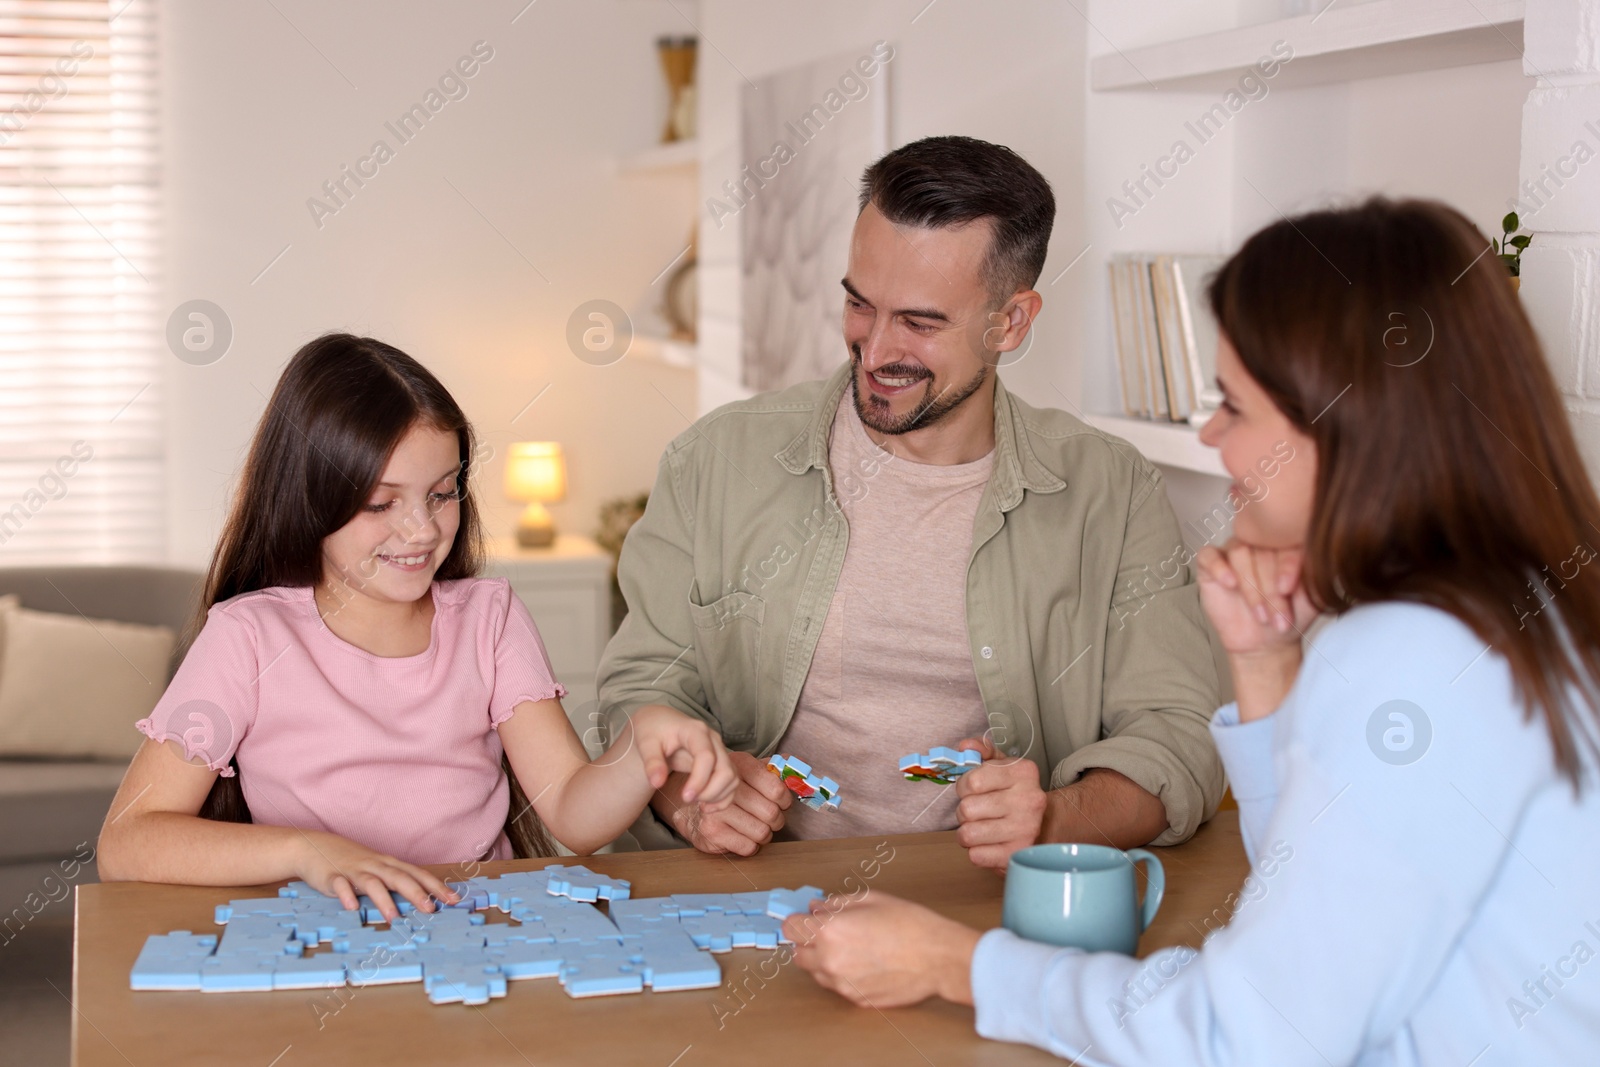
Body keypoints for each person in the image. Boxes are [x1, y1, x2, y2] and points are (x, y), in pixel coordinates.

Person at [781, 196, 1600, 1064]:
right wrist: (1264, 660)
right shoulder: (1509, 611)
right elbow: (1312, 902)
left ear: (1346, 424)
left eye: (1235, 408)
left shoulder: (1416, 654)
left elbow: (1246, 1038)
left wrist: (953, 961)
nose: (1210, 435)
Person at [598, 135, 1224, 867]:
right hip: (745, 894)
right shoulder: (713, 461)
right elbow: (638, 688)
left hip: (987, 910)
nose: (875, 349)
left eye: (921, 323)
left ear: (1011, 322)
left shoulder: (1112, 493)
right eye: (860, 304)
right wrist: (688, 800)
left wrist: (1054, 817)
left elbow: (1179, 736)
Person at [97, 334, 736, 919]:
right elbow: (127, 842)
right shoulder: (247, 638)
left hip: (479, 931)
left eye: (442, 492)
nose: (422, 531)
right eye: (382, 503)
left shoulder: (489, 619)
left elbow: (574, 810)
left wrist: (642, 742)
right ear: (308, 497)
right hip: (324, 939)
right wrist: (305, 851)